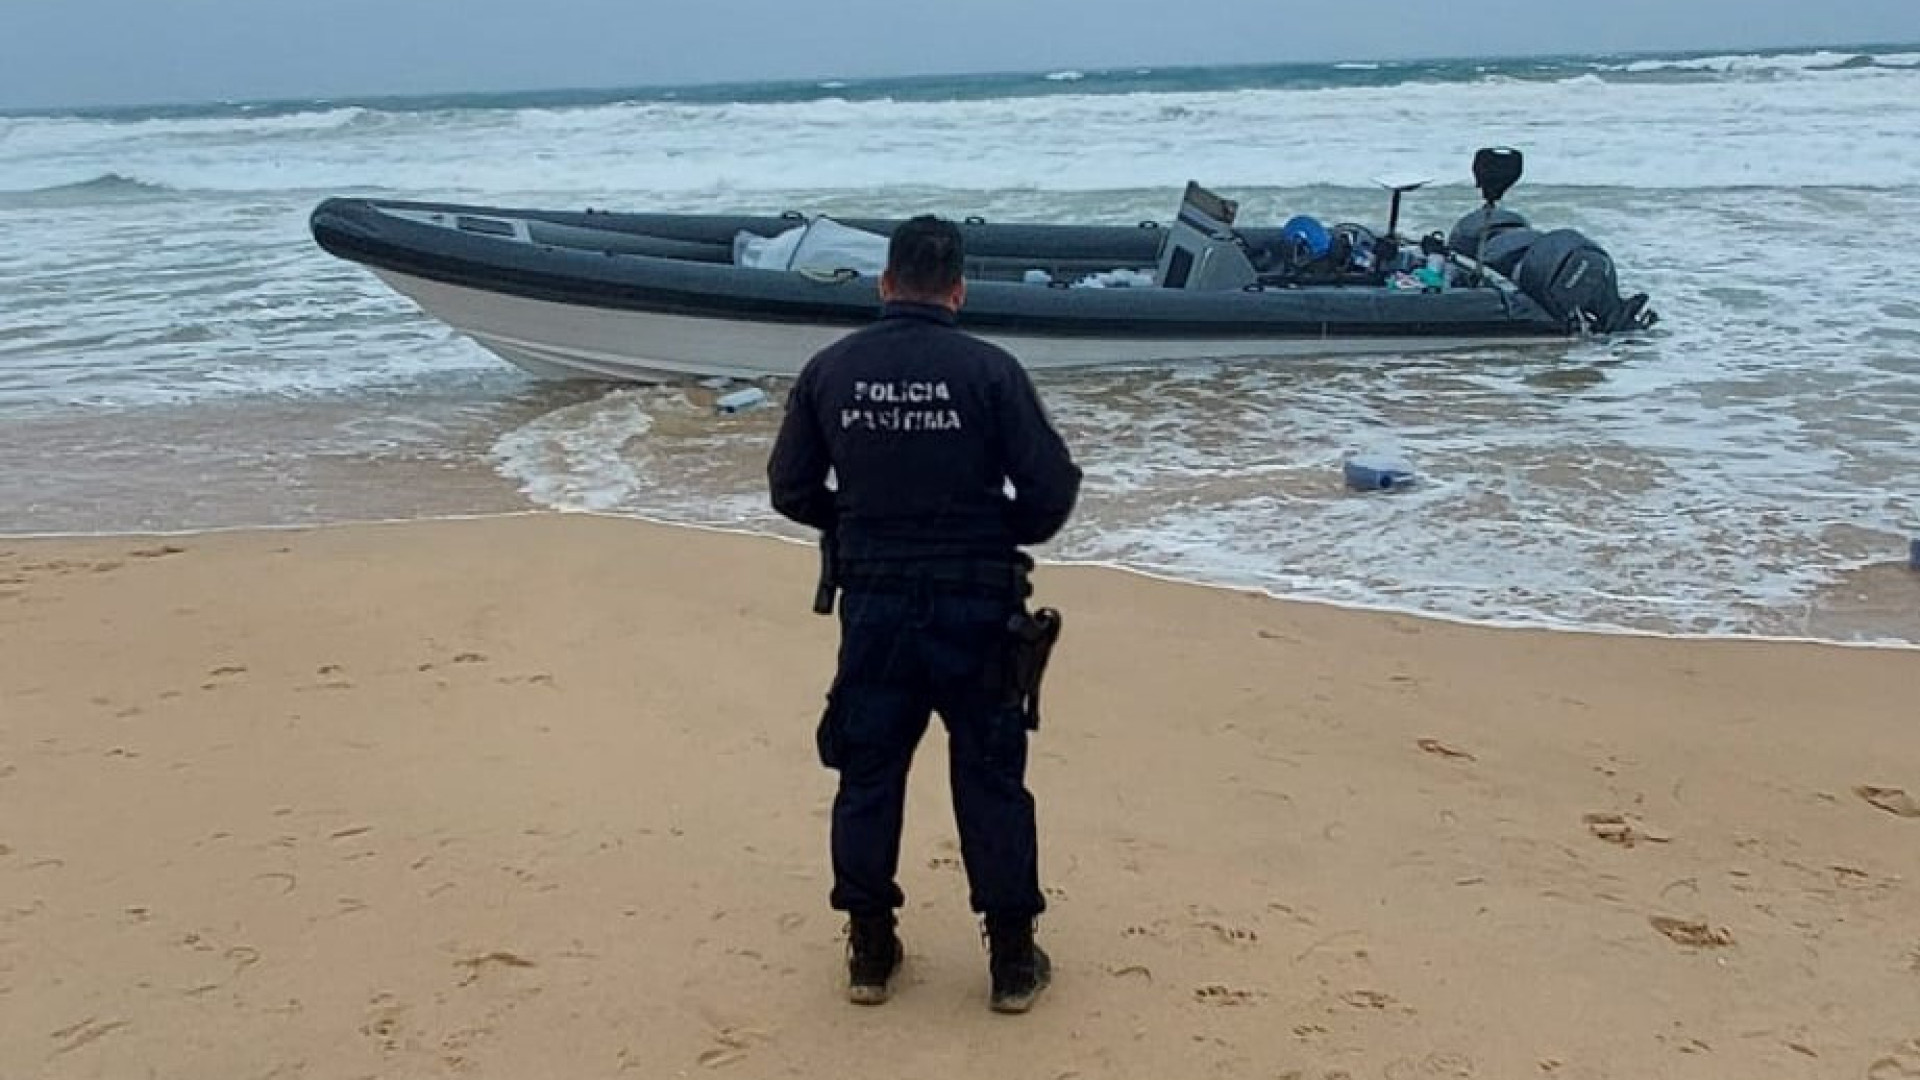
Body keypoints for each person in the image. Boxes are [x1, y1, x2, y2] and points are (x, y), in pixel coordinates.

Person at [766, 214, 1082, 1013]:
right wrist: (990, 531)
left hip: (874, 606)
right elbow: (1051, 489)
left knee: (867, 773)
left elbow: (791, 488)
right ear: (958, 289)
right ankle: (1012, 960)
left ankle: (870, 950)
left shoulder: (831, 371)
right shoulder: (989, 371)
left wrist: (857, 524)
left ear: (884, 284)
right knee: (990, 777)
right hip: (978, 606)